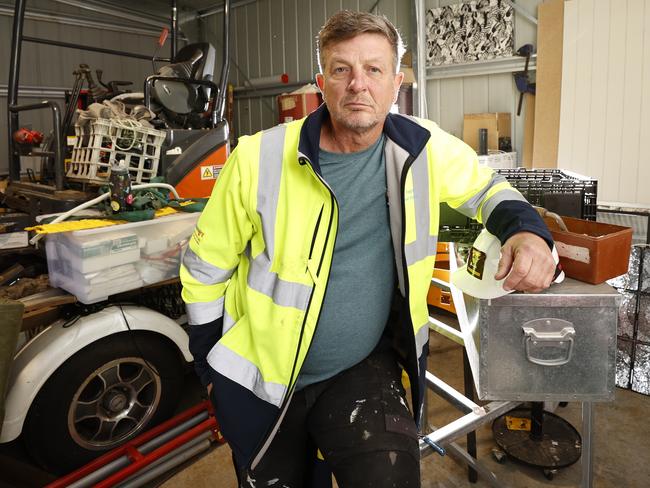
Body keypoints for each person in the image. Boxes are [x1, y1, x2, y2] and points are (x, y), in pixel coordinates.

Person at [181, 10, 556, 488]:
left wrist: (526, 232)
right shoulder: (258, 158)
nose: (358, 84)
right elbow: (204, 267)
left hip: (360, 367)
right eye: (342, 69)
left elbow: (486, 189)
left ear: (396, 83)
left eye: (374, 69)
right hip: (261, 382)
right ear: (322, 83)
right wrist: (208, 363)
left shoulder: (421, 149)